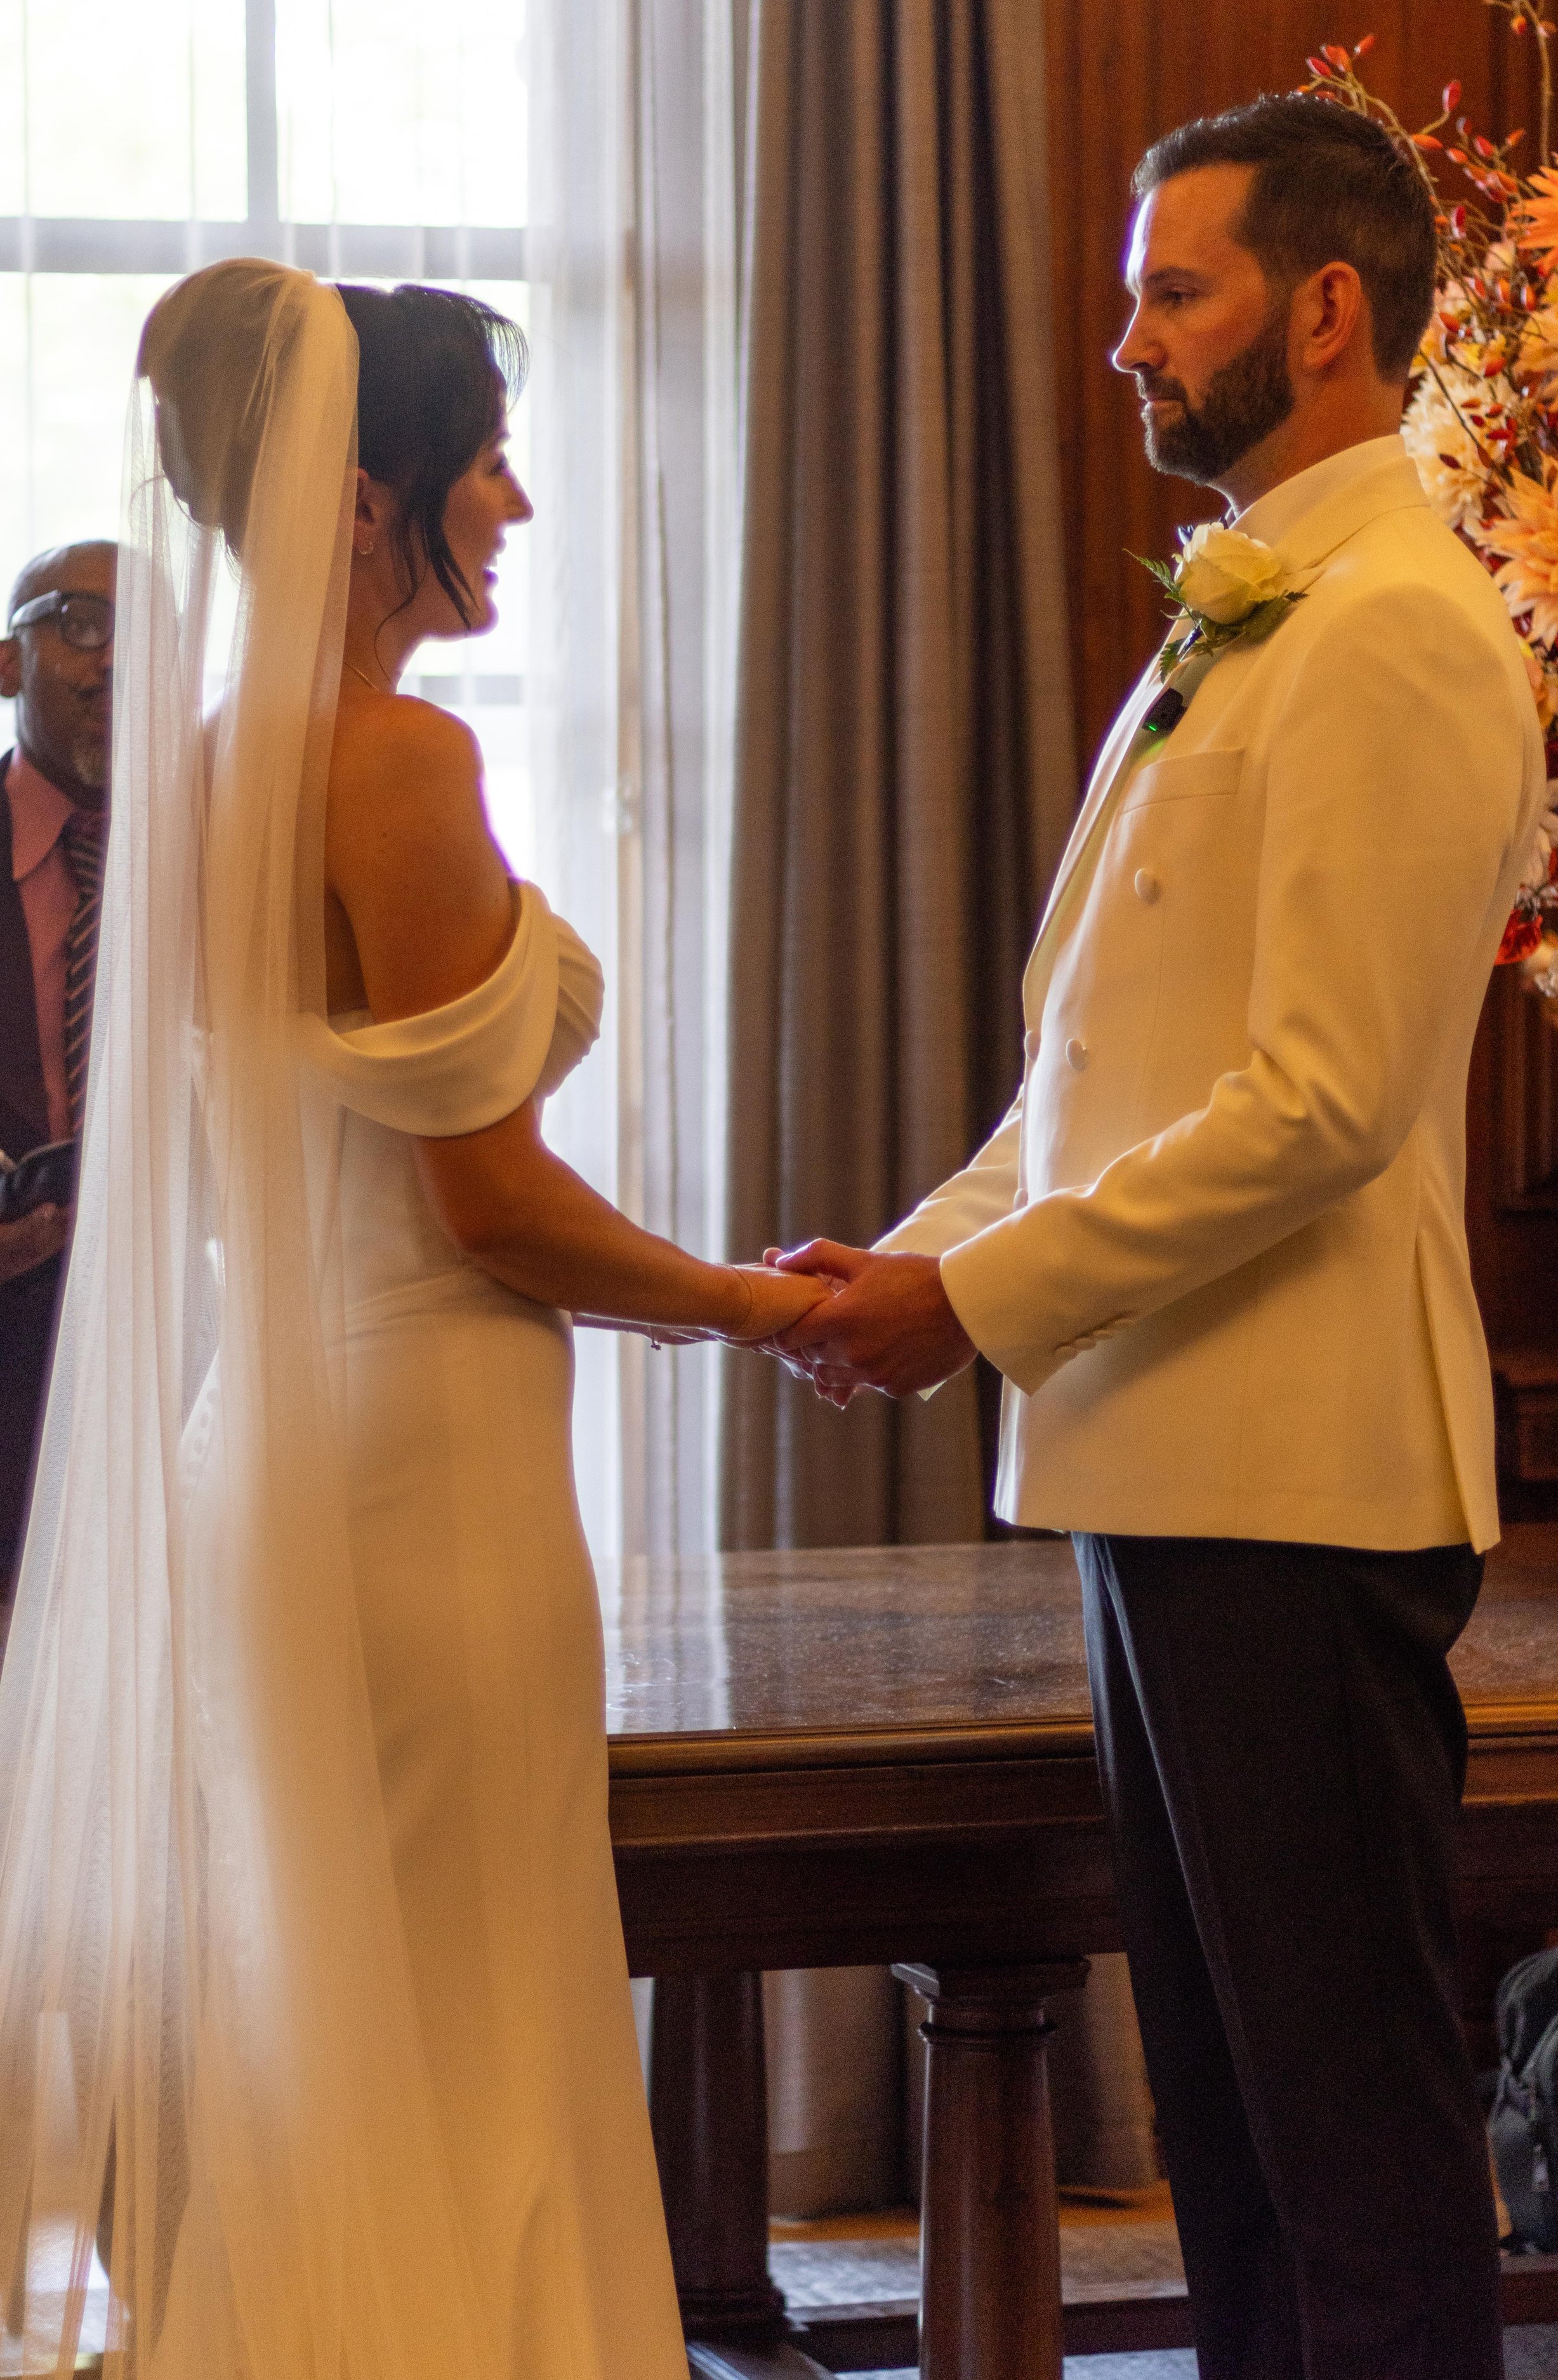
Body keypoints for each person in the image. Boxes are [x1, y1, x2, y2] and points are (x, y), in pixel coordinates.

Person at [774, 96, 1543, 2379]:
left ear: (1326, 312)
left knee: (1352, 2138)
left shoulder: (1398, 624)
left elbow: (1315, 1106)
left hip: (1297, 1490)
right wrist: (906, 1263)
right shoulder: (1247, 611)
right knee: (1229, 2132)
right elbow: (1104, 1064)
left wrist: (977, 1304)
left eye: (1170, 291)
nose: (1124, 342)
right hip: (1174, 1463)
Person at [0, 263, 822, 2380]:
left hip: (261, 1461)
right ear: (370, 507)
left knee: (329, 2043)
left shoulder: (186, 768)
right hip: (424, 1466)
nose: (522, 503)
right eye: (487, 464)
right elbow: (496, 1208)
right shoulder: (396, 765)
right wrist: (758, 1307)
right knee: (480, 2024)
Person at [0, 541, 114, 1592]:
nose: (115, 659)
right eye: (82, 621)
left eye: (143, 634)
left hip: (154, 1373)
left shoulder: (210, 863)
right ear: (7, 663)